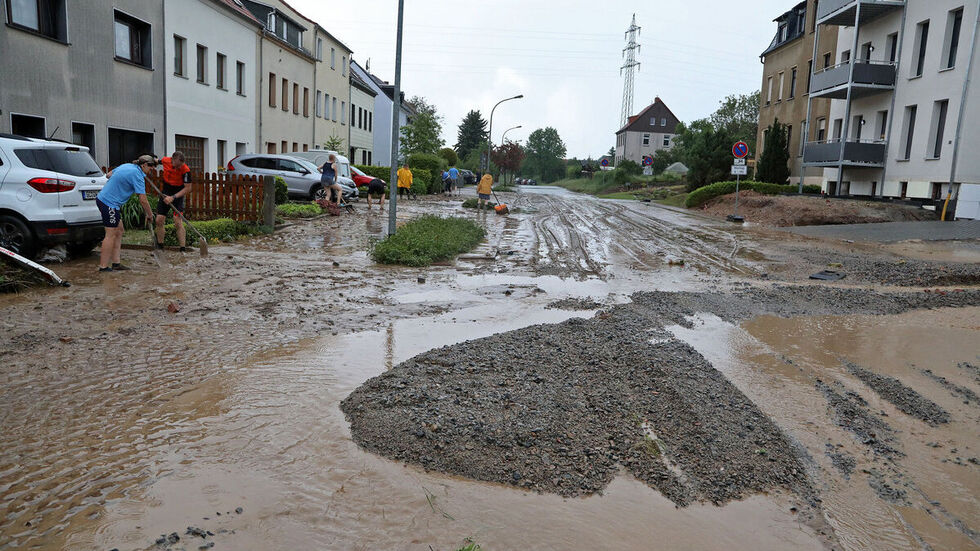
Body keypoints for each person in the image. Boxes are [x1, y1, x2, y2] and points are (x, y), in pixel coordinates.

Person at [95, 155, 156, 272]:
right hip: (109, 203)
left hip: (106, 201)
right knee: (110, 234)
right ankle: (103, 267)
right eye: (150, 167)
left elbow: (108, 175)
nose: (151, 170)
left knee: (119, 230)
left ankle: (116, 264)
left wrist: (121, 180)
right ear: (143, 165)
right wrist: (149, 214)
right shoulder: (137, 175)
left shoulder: (127, 166)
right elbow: (142, 199)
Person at [155, 151, 192, 252]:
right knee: (159, 220)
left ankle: (182, 249)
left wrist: (173, 197)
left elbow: (188, 188)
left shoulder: (185, 170)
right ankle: (160, 246)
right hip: (166, 190)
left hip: (178, 193)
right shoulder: (166, 160)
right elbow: (155, 161)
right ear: (172, 160)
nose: (178, 168)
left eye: (180, 166)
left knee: (177, 221)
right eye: (177, 166)